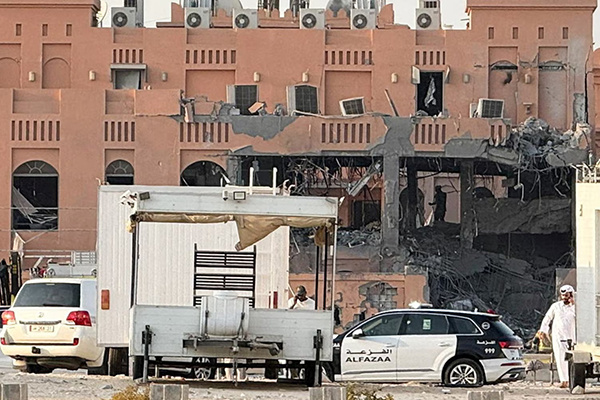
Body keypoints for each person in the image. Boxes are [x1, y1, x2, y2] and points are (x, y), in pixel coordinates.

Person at [537, 284, 576, 388]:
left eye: (567, 295)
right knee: (560, 358)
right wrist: (543, 330)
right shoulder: (556, 306)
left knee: (573, 360)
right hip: (559, 336)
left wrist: (574, 304)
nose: (564, 298)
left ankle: (571, 380)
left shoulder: (576, 307)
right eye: (563, 295)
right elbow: (547, 318)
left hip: (572, 337)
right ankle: (564, 380)